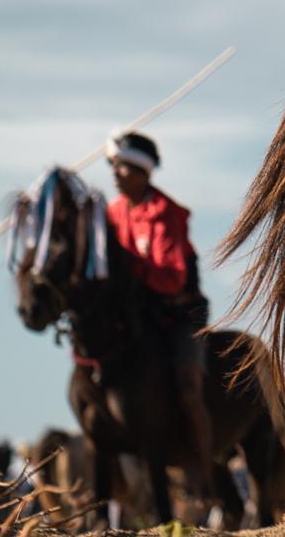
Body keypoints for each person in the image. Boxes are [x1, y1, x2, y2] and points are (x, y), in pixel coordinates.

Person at [103, 130, 215, 498]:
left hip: (181, 313)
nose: (115, 174)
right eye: (113, 166)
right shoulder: (112, 213)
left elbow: (172, 278)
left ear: (142, 172)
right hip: (138, 314)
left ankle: (203, 465)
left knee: (187, 387)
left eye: (122, 167)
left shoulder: (170, 214)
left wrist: (130, 269)